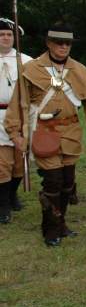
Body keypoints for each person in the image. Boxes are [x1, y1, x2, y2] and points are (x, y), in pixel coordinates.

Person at [5, 22, 86, 246]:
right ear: (49, 43)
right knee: (52, 181)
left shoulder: (79, 71)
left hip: (71, 133)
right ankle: (50, 229)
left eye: (68, 43)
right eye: (59, 42)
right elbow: (18, 104)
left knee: (67, 183)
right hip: (43, 132)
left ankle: (61, 223)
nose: (64, 47)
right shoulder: (31, 69)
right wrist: (15, 134)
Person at [0, 18, 31, 223]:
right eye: (1, 35)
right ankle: (2, 205)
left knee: (20, 163)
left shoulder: (27, 61)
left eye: (9, 34)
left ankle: (12, 195)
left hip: (20, 116)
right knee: (3, 164)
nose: (5, 38)